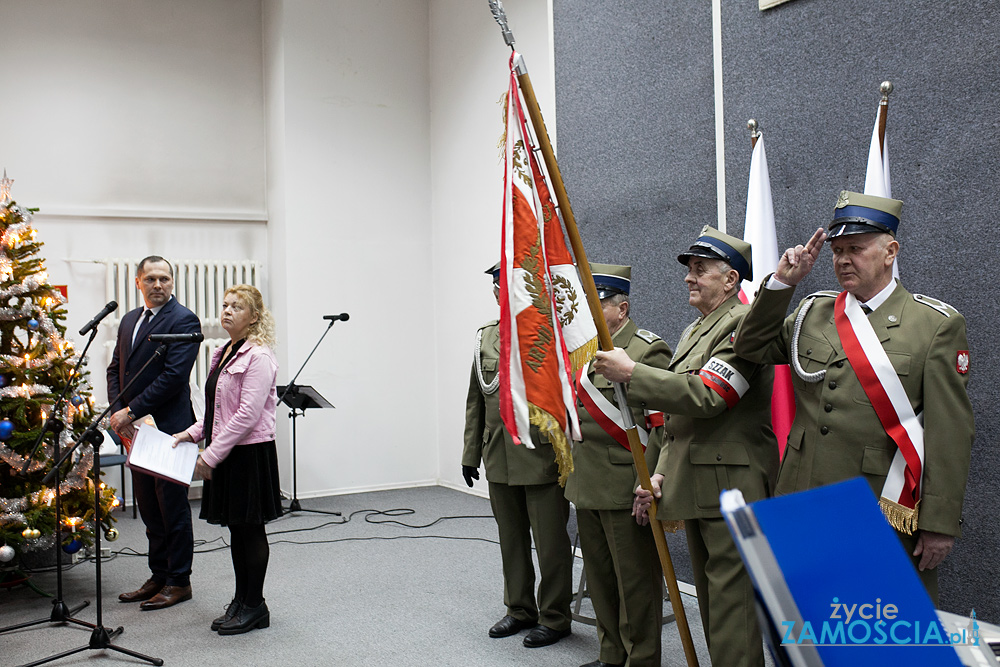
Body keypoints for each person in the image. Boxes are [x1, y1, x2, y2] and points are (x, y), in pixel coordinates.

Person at [732, 191, 974, 603]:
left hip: (878, 500)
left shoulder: (933, 324)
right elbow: (748, 348)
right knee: (808, 615)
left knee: (876, 619)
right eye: (837, 250)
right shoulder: (813, 310)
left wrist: (940, 521)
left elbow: (949, 432)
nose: (843, 259)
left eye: (856, 249)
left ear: (890, 252)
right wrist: (782, 285)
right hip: (803, 493)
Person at [594, 228, 777, 667]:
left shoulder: (741, 325)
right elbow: (675, 422)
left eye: (700, 270)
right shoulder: (698, 328)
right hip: (696, 482)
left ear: (731, 280)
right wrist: (658, 472)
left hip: (731, 486)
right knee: (715, 606)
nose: (688, 278)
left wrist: (633, 372)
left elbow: (708, 397)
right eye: (689, 270)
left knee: (734, 612)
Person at [563, 263, 671, 667]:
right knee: (601, 576)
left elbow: (661, 424)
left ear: (621, 308)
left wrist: (651, 480)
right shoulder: (584, 350)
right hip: (587, 481)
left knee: (636, 582)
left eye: (599, 300)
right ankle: (611, 654)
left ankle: (642, 658)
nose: (590, 308)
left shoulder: (646, 350)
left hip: (627, 483)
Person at [462, 263, 573, 649]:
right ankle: (519, 609)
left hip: (541, 457)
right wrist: (469, 452)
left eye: (508, 287)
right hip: (499, 457)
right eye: (497, 288)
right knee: (510, 539)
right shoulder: (486, 338)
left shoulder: (550, 334)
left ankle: (556, 616)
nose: (501, 294)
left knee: (551, 543)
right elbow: (476, 400)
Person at [174, 284, 281, 635]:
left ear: (254, 317)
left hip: (249, 453)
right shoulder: (223, 352)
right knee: (237, 528)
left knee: (251, 530)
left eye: (237, 306)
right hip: (226, 450)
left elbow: (247, 415)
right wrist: (190, 434)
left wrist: (211, 455)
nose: (228, 311)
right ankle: (240, 599)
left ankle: (255, 605)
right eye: (225, 305)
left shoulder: (259, 356)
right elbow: (217, 410)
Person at [108, 256, 201, 610]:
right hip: (135, 429)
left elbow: (173, 377)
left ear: (172, 282)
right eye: (151, 279)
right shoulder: (129, 320)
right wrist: (120, 411)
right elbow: (115, 367)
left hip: (168, 429)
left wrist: (132, 410)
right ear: (138, 282)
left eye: (164, 279)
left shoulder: (183, 320)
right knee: (148, 505)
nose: (158, 285)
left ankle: (180, 581)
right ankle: (158, 575)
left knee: (172, 508)